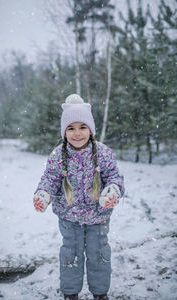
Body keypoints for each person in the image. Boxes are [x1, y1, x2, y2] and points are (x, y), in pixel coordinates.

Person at [33, 94, 124, 300]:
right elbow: (50, 178)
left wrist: (113, 190)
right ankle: (70, 293)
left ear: (90, 129)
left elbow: (114, 177)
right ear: (64, 132)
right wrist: (44, 193)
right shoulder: (58, 155)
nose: (77, 133)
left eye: (82, 127)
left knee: (98, 254)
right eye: (71, 128)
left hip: (98, 216)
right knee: (70, 254)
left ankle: (100, 293)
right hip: (69, 217)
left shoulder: (103, 153)